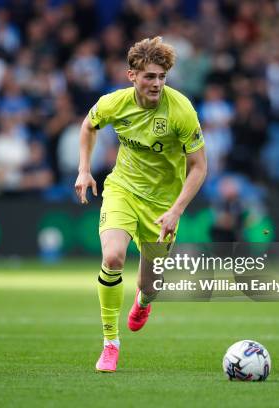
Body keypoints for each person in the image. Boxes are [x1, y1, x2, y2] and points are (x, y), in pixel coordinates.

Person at [74, 37, 207, 372]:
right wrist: (84, 169)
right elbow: (88, 125)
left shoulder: (181, 110)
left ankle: (144, 302)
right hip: (123, 189)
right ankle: (110, 344)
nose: (157, 83)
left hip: (163, 207)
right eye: (150, 76)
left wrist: (176, 210)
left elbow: (199, 166)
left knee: (149, 286)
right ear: (131, 75)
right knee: (113, 256)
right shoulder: (113, 103)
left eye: (162, 76)